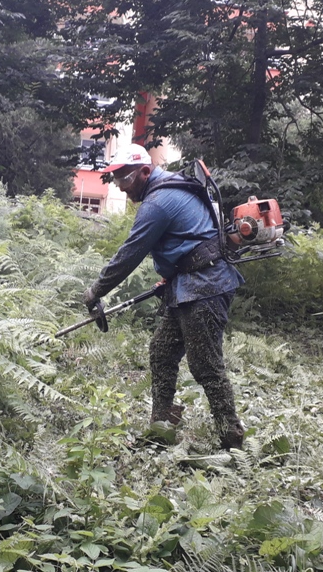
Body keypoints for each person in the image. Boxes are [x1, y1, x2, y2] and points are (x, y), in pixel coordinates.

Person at [81, 143, 246, 450]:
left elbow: (130, 253)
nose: (123, 189)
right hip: (188, 285)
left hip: (205, 287)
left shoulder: (159, 202)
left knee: (206, 365)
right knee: (162, 352)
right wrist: (171, 275)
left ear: (145, 171)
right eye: (117, 181)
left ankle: (232, 442)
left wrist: (95, 291)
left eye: (127, 180)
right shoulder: (172, 189)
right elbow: (189, 239)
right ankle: (161, 429)